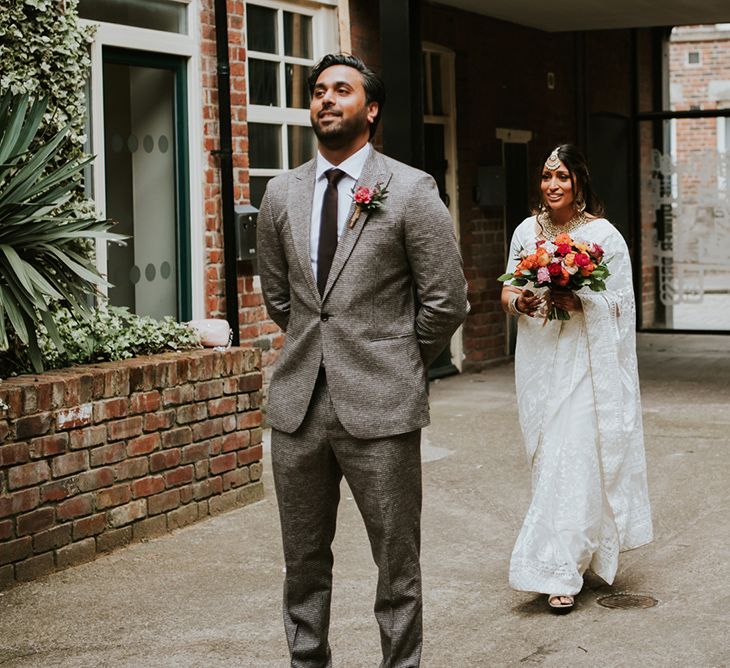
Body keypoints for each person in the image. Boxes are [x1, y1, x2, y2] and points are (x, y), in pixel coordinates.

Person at [257, 53, 468, 666]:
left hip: (383, 409)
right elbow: (282, 299)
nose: (326, 99)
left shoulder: (409, 190)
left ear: (370, 110)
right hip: (297, 410)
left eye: (341, 90)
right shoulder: (280, 194)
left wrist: (394, 356)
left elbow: (445, 302)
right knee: (302, 565)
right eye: (318, 90)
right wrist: (317, 346)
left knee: (396, 567)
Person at [501, 144, 653, 613]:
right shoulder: (527, 231)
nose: (552, 185)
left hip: (587, 364)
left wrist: (583, 302)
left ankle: (558, 569)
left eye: (561, 177)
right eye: (546, 177)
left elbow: (624, 305)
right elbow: (508, 286)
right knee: (550, 458)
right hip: (540, 357)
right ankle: (577, 548)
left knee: (578, 454)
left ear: (579, 183)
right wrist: (518, 303)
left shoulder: (604, 236)